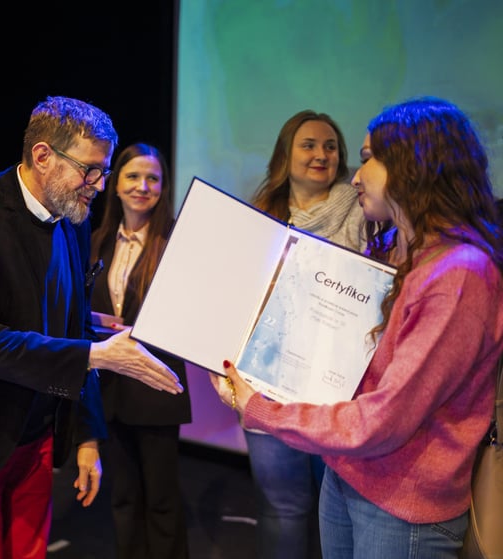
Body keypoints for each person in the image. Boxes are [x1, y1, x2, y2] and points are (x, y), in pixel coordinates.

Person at [210, 96, 503, 559]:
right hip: (348, 474)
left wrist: (261, 407)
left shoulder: (458, 275)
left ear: (412, 164)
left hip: (401, 505)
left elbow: (384, 420)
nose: (354, 176)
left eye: (368, 159)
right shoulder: (395, 251)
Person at [0, 95, 184, 559]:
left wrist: (88, 435)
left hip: (38, 432)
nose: (99, 185)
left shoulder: (73, 218)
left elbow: (75, 329)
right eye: (90, 170)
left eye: (103, 172)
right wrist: (99, 355)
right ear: (42, 156)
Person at [244, 110, 367, 559]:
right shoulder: (260, 217)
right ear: (285, 155)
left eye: (330, 146)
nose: (321, 154)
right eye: (309, 145)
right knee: (282, 509)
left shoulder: (365, 214)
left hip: (337, 398)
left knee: (340, 510)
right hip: (268, 386)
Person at [89, 142, 192, 559]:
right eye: (133, 176)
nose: (142, 186)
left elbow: (191, 314)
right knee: (123, 497)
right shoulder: (96, 241)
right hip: (109, 388)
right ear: (115, 184)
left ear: (163, 187)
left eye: (153, 178)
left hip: (156, 388)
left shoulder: (177, 243)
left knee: (162, 500)